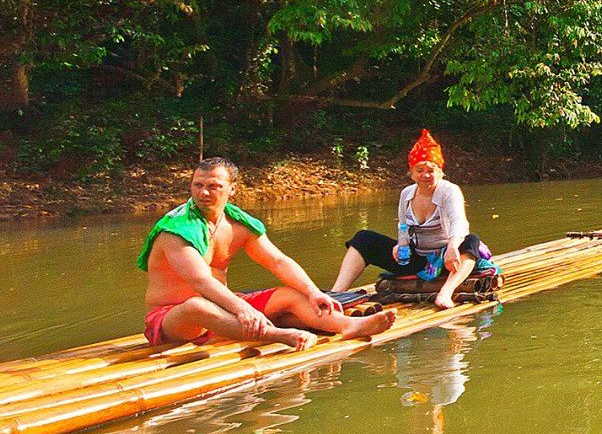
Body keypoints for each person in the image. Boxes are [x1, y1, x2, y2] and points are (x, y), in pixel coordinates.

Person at [140, 158, 397, 349]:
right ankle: (277, 335)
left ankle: (348, 325)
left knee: (292, 295)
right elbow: (200, 281)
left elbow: (277, 260)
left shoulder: (238, 224)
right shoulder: (175, 230)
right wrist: (242, 308)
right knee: (197, 306)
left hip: (224, 306)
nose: (204, 192)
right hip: (173, 318)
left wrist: (313, 292)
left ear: (232, 189)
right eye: (198, 185)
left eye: (213, 186)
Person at [335, 130, 500, 309]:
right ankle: (338, 294)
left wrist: (452, 247)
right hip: (418, 260)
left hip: (447, 259)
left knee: (471, 240)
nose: (425, 175)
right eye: (420, 170)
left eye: (431, 170)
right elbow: (403, 227)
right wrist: (401, 245)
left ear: (440, 172)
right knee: (363, 238)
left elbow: (458, 223)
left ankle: (446, 292)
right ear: (412, 173)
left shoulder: (449, 191)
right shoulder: (406, 194)